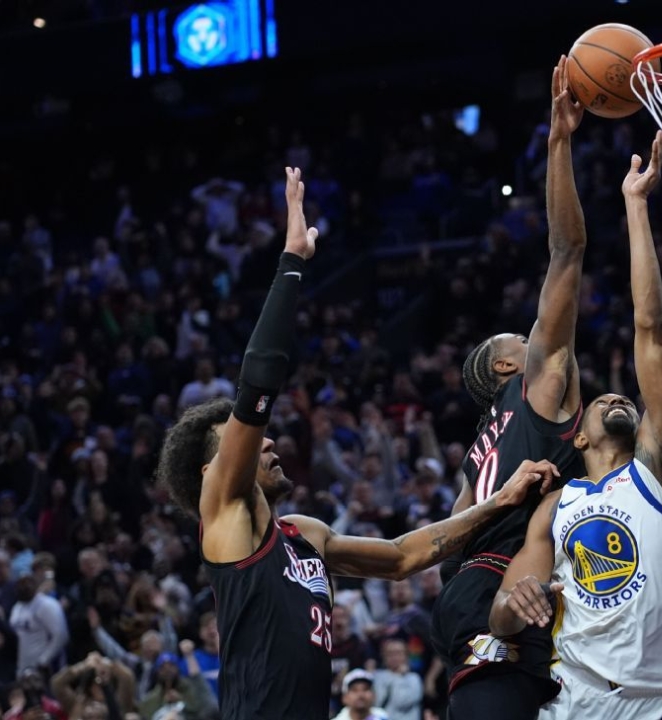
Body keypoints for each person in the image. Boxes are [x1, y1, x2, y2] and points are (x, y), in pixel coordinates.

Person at [154, 168, 558, 720]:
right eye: (242, 444)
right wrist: (292, 263)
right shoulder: (225, 517)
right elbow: (257, 385)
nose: (265, 444)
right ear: (210, 471)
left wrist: (501, 500)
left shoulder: (305, 534)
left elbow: (402, 557)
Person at [488, 132, 662, 719]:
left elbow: (651, 329)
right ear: (577, 436)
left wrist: (637, 206)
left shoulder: (661, 468)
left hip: (659, 705)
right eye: (601, 399)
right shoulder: (556, 504)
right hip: (574, 702)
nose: (617, 395)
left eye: (627, 401)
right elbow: (502, 614)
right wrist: (519, 602)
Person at [430, 57, 592, 719]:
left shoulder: (478, 450)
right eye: (514, 342)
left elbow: (448, 544)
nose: (530, 338)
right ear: (505, 370)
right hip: (510, 588)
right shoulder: (539, 386)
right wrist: (558, 146)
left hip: (470, 593)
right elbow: (567, 250)